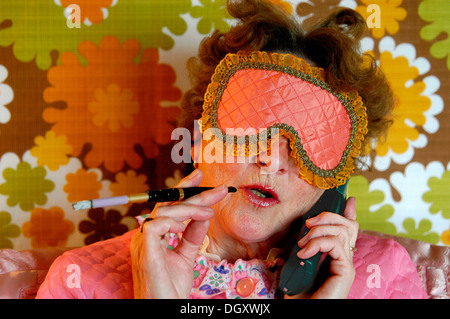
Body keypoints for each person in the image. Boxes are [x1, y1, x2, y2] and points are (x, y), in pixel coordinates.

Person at [37, 0, 427, 299]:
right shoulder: (81, 280)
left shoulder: (385, 274)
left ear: (335, 177)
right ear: (200, 134)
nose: (270, 159)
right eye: (250, 126)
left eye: (309, 142)